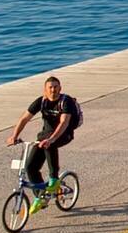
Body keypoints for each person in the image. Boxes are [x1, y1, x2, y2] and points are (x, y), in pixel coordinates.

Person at [6, 77, 78, 211]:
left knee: (49, 144)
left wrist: (52, 139)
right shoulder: (42, 101)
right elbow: (24, 119)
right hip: (45, 136)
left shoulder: (66, 101)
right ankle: (41, 197)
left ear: (60, 88)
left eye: (56, 87)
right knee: (30, 167)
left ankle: (54, 179)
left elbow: (64, 123)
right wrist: (14, 136)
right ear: (45, 90)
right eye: (50, 87)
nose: (53, 90)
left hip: (64, 134)